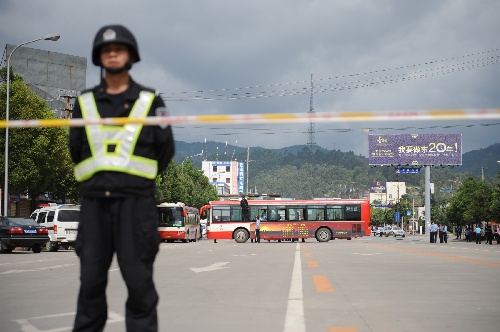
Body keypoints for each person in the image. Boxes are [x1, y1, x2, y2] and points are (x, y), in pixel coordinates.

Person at [69, 25, 175, 332]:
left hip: (136, 206)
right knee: (89, 288)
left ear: (130, 55)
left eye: (119, 49)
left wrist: (134, 182)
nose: (112, 54)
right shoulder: (84, 102)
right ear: (99, 57)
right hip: (94, 207)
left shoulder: (151, 101)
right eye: (106, 50)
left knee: (140, 289)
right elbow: (76, 149)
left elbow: (165, 151)